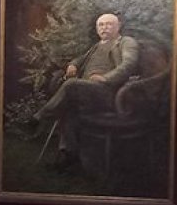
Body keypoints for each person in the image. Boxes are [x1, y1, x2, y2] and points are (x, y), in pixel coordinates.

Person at [31, 13, 140, 169]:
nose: (104, 28)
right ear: (97, 29)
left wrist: (105, 78)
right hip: (88, 92)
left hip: (110, 93)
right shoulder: (96, 46)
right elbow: (79, 59)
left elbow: (128, 65)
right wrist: (73, 65)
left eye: (109, 24)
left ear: (118, 26)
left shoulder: (126, 42)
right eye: (101, 25)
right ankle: (69, 157)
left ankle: (39, 117)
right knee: (69, 108)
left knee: (71, 85)